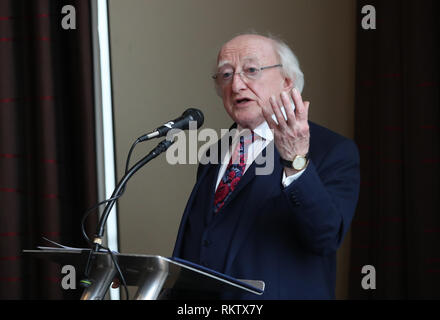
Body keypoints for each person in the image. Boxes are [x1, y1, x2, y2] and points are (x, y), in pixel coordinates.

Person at [170, 33, 360, 299]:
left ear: (287, 82)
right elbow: (200, 241)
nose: (236, 85)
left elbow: (325, 237)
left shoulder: (333, 150)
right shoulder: (212, 153)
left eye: (251, 70)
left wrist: (296, 162)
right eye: (226, 74)